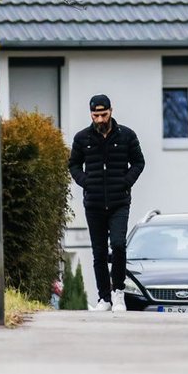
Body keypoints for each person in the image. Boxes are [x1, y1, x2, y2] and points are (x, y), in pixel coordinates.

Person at [69, 94, 145, 311]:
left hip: (119, 201)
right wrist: (86, 182)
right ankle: (104, 298)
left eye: (103, 114)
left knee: (119, 246)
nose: (100, 119)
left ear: (111, 111)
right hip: (93, 203)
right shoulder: (82, 138)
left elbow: (139, 162)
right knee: (99, 252)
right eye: (96, 115)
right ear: (91, 114)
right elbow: (74, 165)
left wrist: (126, 182)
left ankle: (118, 292)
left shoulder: (126, 136)